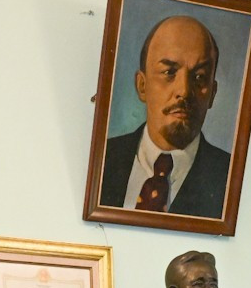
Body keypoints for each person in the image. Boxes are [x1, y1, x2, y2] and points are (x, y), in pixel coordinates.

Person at [98, 14, 231, 219]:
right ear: (142, 86)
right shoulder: (103, 158)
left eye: (199, 77)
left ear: (212, 94)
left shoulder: (229, 178)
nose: (184, 91)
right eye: (169, 72)